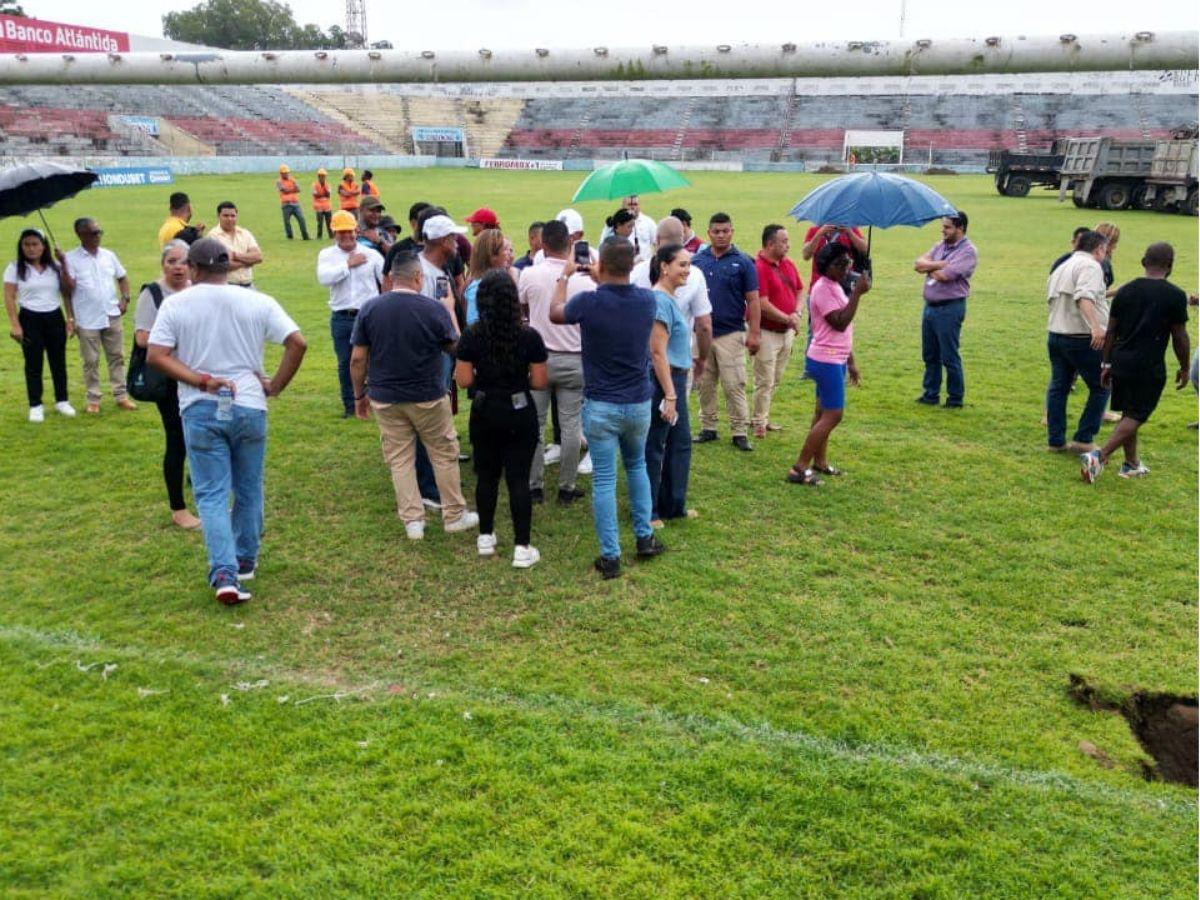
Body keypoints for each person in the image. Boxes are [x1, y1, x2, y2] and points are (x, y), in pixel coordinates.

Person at [147, 237, 307, 605]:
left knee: (211, 494)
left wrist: (201, 380)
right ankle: (245, 559)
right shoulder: (258, 300)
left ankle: (224, 572)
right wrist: (276, 385)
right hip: (250, 403)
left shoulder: (176, 304)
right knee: (249, 486)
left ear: (193, 268)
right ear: (228, 267)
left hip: (201, 406)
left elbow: (157, 355)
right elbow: (297, 342)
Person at [550, 239, 666, 579]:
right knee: (637, 466)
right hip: (638, 401)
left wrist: (566, 276)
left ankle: (611, 556)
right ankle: (644, 537)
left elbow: (555, 313)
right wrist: (604, 274)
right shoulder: (647, 300)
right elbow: (619, 294)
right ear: (632, 266)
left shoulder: (588, 302)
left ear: (601, 265)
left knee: (604, 479)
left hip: (601, 404)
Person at [349, 250, 479, 540]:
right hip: (428, 395)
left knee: (400, 459)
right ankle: (454, 514)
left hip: (386, 397)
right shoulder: (432, 309)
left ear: (392, 278)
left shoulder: (370, 308)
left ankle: (413, 521)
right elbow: (455, 348)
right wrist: (448, 311)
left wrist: (359, 396)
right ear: (418, 277)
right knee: (444, 453)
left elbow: (358, 359)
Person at [454, 270, 549, 566]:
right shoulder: (529, 336)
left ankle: (486, 534)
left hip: (485, 409)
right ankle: (522, 547)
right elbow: (539, 382)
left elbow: (464, 380)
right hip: (519, 410)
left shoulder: (472, 335)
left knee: (487, 475)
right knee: (518, 478)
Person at [1082, 242, 1190, 483]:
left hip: (1120, 361)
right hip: (1148, 366)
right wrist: (1184, 367)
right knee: (1137, 415)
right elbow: (1179, 336)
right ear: (1170, 266)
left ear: (1143, 262)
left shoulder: (1126, 291)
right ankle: (1099, 456)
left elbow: (1111, 332)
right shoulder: (1175, 295)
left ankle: (1131, 464)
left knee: (1129, 413)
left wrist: (1107, 364)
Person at [521, 219, 594, 505]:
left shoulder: (530, 274)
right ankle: (566, 485)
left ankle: (534, 484)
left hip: (540, 358)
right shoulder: (585, 279)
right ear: (570, 244)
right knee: (571, 424)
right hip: (574, 358)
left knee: (535, 425)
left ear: (543, 244)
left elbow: (522, 307)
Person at [787, 244, 871, 486]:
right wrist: (857, 294)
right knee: (834, 415)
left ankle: (820, 462)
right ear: (828, 266)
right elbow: (840, 323)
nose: (847, 267)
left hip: (836, 356)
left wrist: (851, 361)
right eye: (842, 264)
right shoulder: (823, 289)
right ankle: (799, 468)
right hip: (826, 359)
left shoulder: (835, 286)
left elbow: (843, 332)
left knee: (822, 412)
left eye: (848, 262)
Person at [132, 239, 201, 529]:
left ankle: (198, 482)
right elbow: (142, 338)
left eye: (183, 261)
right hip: (169, 379)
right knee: (177, 441)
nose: (178, 267)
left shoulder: (196, 291)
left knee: (198, 435)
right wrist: (174, 337)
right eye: (172, 261)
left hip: (195, 375)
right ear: (163, 264)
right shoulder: (153, 294)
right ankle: (178, 509)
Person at [692, 212, 761, 450]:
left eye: (725, 231)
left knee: (734, 384)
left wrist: (754, 333)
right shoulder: (697, 261)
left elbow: (753, 301)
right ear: (709, 232)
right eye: (716, 231)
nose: (721, 235)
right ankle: (708, 427)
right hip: (702, 332)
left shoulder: (743, 262)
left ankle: (739, 431)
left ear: (732, 231)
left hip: (731, 333)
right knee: (705, 383)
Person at [644, 244, 697, 526]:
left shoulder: (670, 298)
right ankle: (650, 511)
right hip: (664, 381)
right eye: (682, 265)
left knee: (680, 443)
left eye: (688, 265)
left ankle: (674, 505)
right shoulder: (660, 301)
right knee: (656, 445)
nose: (687, 270)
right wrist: (670, 393)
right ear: (664, 266)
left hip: (675, 377)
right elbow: (657, 353)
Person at [1045, 230, 1110, 453]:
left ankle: (1055, 440)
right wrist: (1096, 327)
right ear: (1099, 249)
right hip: (1081, 337)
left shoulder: (1062, 266)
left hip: (1056, 334)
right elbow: (1084, 296)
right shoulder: (1091, 266)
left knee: (1059, 386)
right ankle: (1084, 437)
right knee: (1102, 385)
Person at [630, 216, 713, 391]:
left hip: (641, 358)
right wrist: (703, 358)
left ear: (657, 240)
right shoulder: (694, 274)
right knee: (676, 412)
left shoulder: (637, 272)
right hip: (679, 359)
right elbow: (704, 324)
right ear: (682, 239)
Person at [62, 218, 135, 414]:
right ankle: (93, 398)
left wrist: (125, 298)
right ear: (81, 235)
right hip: (87, 317)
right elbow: (67, 290)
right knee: (91, 361)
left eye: (99, 232)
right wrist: (70, 318)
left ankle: (121, 395)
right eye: (93, 233)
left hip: (111, 313)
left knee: (117, 356)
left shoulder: (108, 256)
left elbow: (122, 277)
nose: (97, 236)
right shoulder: (70, 259)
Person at [317, 209, 385, 417]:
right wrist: (348, 264)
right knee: (346, 362)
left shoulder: (372, 255)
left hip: (368, 315)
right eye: (340, 232)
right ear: (334, 233)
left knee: (374, 361)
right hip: (342, 316)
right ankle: (350, 405)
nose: (346, 236)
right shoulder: (327, 255)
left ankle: (375, 401)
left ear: (356, 231)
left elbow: (385, 282)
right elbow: (324, 278)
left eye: (349, 231)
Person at [4, 228, 75, 422]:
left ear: (44, 246)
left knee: (58, 361)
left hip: (54, 316)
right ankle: (35, 404)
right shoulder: (15, 267)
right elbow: (9, 297)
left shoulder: (55, 267)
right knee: (33, 363)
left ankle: (62, 400)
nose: (31, 249)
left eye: (35, 244)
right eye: (26, 244)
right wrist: (15, 325)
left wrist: (70, 318)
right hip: (29, 317)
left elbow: (66, 293)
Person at [913, 212, 977, 408]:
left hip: (950, 308)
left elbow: (943, 276)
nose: (943, 230)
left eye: (948, 227)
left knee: (949, 355)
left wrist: (929, 267)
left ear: (961, 228)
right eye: (944, 226)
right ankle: (930, 394)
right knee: (930, 354)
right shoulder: (941, 246)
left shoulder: (968, 251)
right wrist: (940, 263)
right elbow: (917, 264)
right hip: (930, 307)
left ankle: (955, 398)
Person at [752, 224, 803, 438]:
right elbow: (762, 303)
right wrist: (788, 319)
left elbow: (800, 289)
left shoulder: (788, 265)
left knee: (776, 378)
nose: (788, 245)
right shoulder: (759, 268)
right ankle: (759, 422)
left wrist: (797, 314)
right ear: (770, 244)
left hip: (786, 332)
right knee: (764, 379)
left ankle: (763, 416)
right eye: (784, 241)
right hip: (767, 332)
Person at [464, 229, 515, 326]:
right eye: (505, 249)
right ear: (492, 256)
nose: (509, 253)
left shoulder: (503, 280)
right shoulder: (477, 288)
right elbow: (474, 325)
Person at [209, 201, 263, 290]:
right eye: (225, 216)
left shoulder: (245, 233)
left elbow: (258, 257)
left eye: (233, 216)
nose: (230, 219)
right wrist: (248, 261)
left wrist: (234, 255)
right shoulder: (213, 237)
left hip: (248, 286)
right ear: (218, 216)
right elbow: (223, 266)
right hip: (227, 286)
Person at [800, 223, 868, 286]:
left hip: (844, 284)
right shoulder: (815, 230)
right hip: (819, 284)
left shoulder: (850, 228)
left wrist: (850, 233)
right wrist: (820, 233)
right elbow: (806, 256)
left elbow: (864, 250)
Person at [275, 164, 309, 241]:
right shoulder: (279, 182)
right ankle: (290, 237)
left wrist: (289, 190)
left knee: (301, 219)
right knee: (287, 222)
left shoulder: (292, 180)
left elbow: (298, 189)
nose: (286, 174)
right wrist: (293, 189)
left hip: (295, 203)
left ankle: (305, 236)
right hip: (286, 204)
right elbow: (284, 190)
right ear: (281, 173)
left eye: (287, 172)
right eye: (284, 173)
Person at [312, 168, 333, 239]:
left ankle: (331, 236)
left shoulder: (327, 185)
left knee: (329, 223)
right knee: (320, 223)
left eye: (324, 176)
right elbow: (315, 195)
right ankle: (319, 236)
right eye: (321, 176)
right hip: (319, 207)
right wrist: (324, 194)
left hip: (327, 207)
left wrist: (323, 191)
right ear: (318, 176)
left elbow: (328, 195)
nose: (322, 178)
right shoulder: (314, 185)